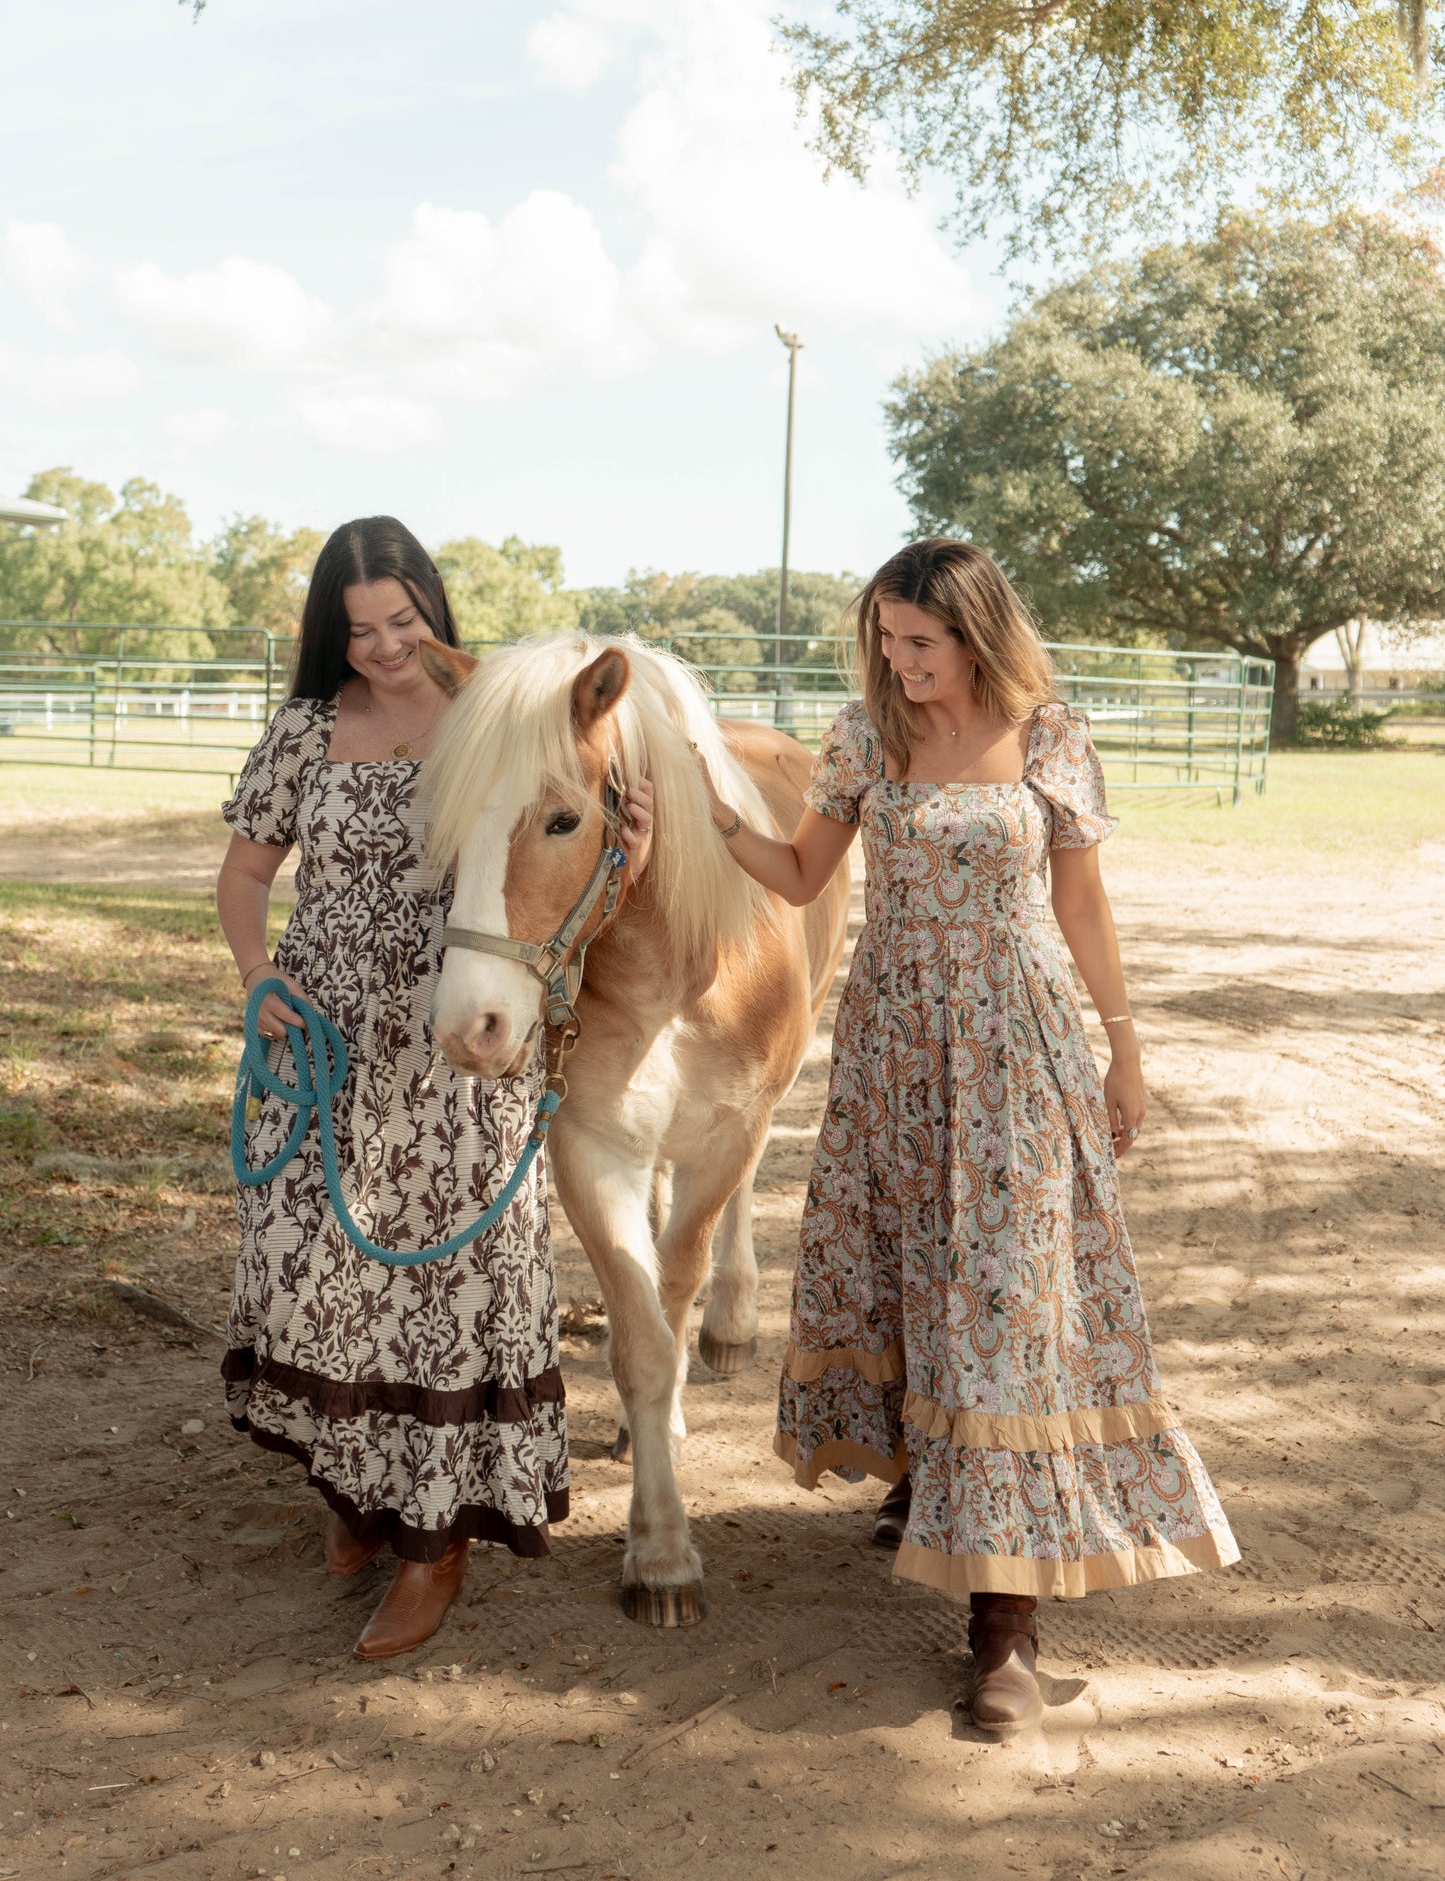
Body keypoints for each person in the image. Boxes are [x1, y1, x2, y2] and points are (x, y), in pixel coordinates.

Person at [699, 537, 1237, 1732]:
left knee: (1007, 1302)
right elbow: (795, 874)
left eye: (921, 643)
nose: (900, 664)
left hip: (1015, 1044)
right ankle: (928, 1482)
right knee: (912, 1276)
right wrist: (695, 811)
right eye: (885, 642)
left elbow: (1081, 898)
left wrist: (1124, 1045)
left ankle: (1005, 1630)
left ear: (976, 632)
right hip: (893, 1045)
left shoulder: (1046, 733)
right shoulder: (862, 733)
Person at [215, 516, 653, 1661]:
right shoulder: (308, 729)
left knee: (445, 1304)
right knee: (318, 1280)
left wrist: (633, 857)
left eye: (400, 621)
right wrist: (258, 974)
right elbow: (246, 870)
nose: (382, 647)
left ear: (432, 608)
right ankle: (355, 1489)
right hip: (319, 1048)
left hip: (452, 1043)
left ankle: (433, 1547)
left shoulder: (492, 718)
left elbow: (567, 850)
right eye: (357, 630)